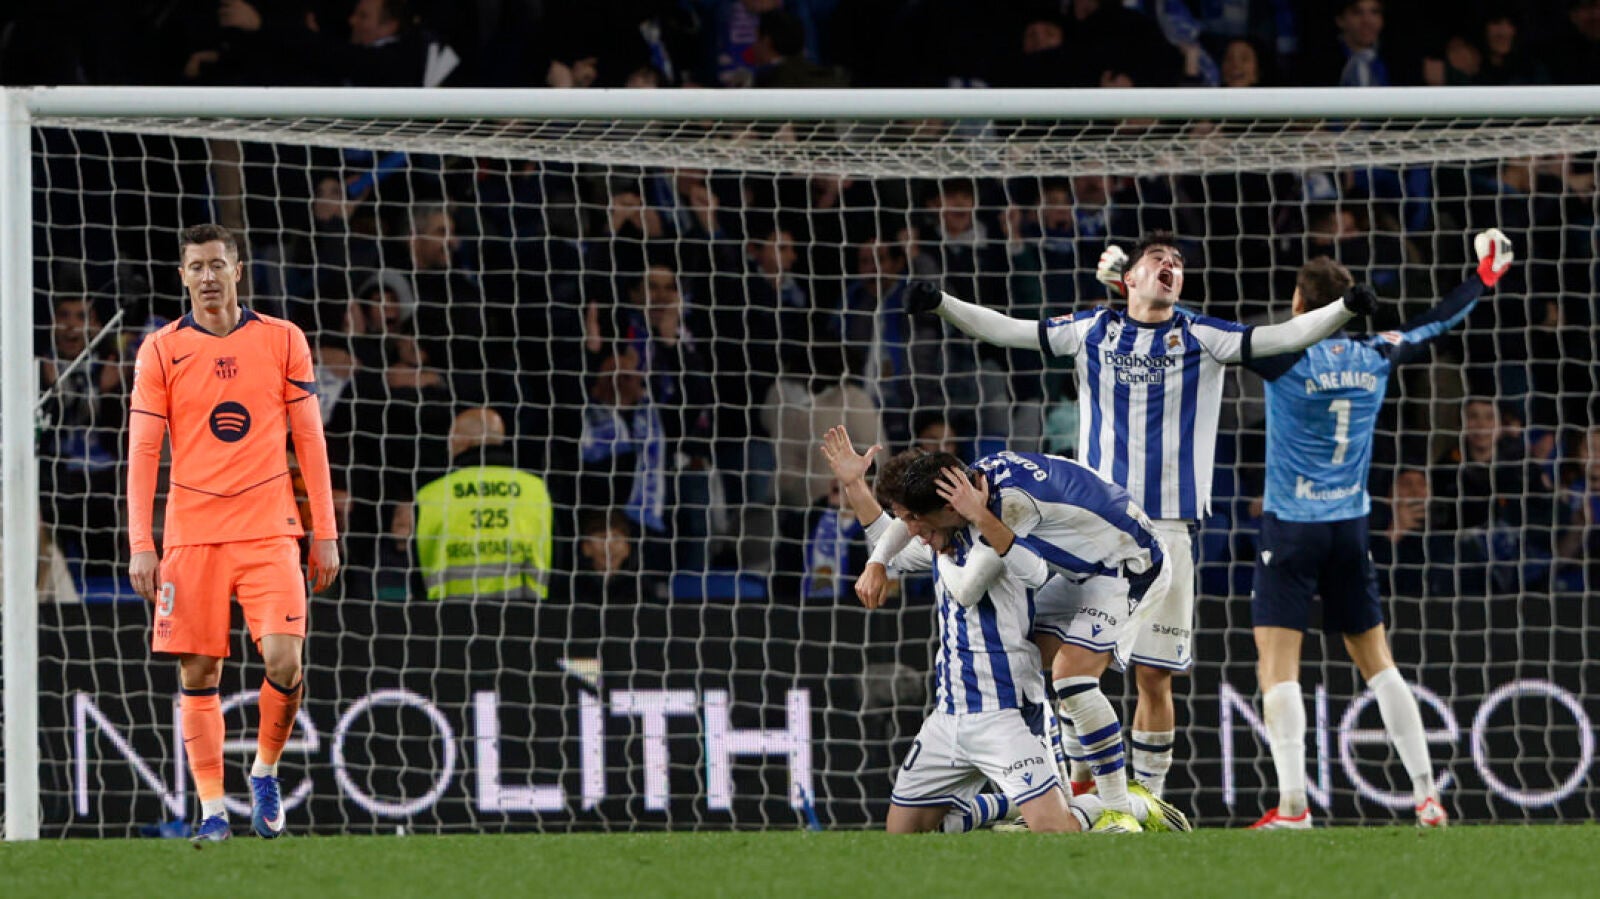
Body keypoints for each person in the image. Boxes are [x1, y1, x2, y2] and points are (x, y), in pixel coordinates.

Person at [910, 229, 1377, 801]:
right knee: (1065, 666)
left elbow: (1284, 335)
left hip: (1167, 532)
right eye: (1159, 258)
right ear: (1129, 278)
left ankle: (1148, 800)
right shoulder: (1091, 330)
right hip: (1087, 532)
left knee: (1155, 676)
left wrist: (1341, 309)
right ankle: (1081, 793)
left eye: (1178, 261)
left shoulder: (1203, 335)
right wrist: (942, 304)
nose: (1171, 265)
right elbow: (1008, 330)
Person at [1239, 231, 1513, 829]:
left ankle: (1293, 806)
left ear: (1299, 306)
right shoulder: (1376, 353)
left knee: (1277, 667)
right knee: (1378, 661)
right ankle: (1426, 795)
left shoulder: (1282, 357)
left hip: (1291, 529)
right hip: (1351, 529)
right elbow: (1436, 321)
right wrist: (1483, 278)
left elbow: (1208, 339)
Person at [126, 224, 340, 844]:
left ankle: (264, 771)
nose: (208, 277)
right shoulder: (160, 350)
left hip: (270, 529)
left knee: (285, 659)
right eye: (196, 267)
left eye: (218, 264)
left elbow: (310, 439)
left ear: (238, 271)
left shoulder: (282, 339)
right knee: (198, 673)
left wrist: (323, 531)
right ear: (182, 276)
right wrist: (142, 543)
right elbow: (143, 450)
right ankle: (214, 810)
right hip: (192, 536)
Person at [816, 429, 1121, 834]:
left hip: (1006, 711)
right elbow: (891, 541)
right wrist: (855, 485)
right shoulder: (939, 535)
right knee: (901, 835)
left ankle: (1121, 806)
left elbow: (971, 589)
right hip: (949, 715)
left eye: (913, 518)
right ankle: (1006, 806)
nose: (912, 529)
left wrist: (909, 554)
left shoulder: (994, 532)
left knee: (1054, 832)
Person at [412, 407, 553, 600]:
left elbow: (415, 570)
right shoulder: (535, 489)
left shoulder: (432, 495)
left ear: (463, 441)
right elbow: (557, 559)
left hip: (447, 615)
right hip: (526, 614)